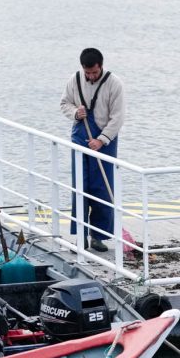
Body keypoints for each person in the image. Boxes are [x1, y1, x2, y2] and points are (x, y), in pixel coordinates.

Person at [60, 48, 125, 252]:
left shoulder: (114, 84)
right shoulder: (75, 80)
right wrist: (75, 113)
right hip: (80, 136)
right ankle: (80, 235)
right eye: (87, 73)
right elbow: (64, 103)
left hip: (105, 140)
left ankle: (98, 236)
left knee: (102, 188)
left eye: (94, 73)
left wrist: (102, 140)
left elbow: (118, 117)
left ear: (101, 66)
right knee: (80, 187)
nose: (90, 77)